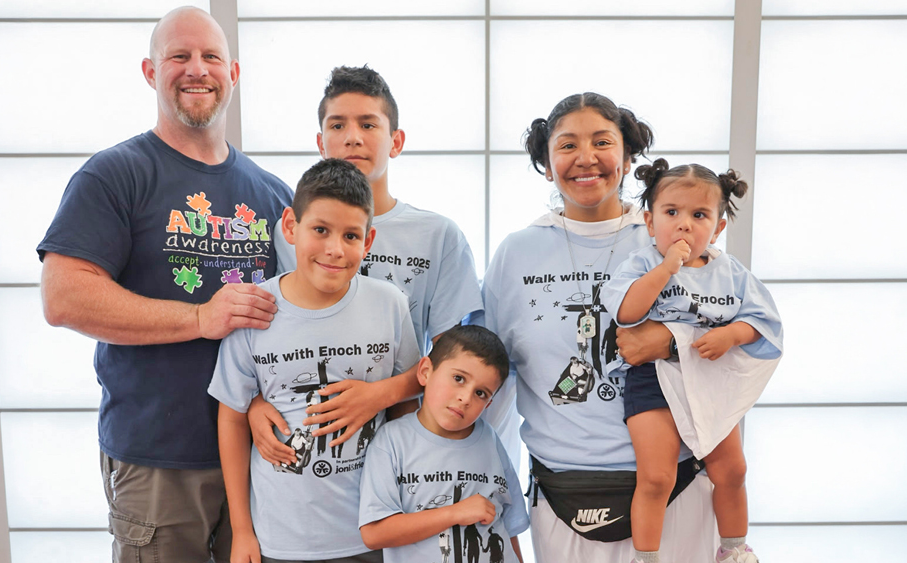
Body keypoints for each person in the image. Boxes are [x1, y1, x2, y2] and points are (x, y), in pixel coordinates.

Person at [36, 7, 291, 561]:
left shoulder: (274, 195)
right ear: (151, 72)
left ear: (234, 73)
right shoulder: (113, 175)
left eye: (210, 57)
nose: (196, 69)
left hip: (259, 460)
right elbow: (63, 296)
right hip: (157, 461)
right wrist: (199, 318)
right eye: (179, 56)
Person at [477, 92, 718, 562]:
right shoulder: (515, 254)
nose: (585, 158)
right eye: (566, 146)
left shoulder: (669, 231)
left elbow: (737, 335)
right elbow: (493, 375)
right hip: (563, 487)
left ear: (627, 158)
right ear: (546, 165)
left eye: (602, 142)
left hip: (678, 478)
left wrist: (672, 339)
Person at [250, 64, 485, 467]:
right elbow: (263, 339)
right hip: (305, 436)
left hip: (405, 435)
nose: (353, 137)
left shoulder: (439, 235)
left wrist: (381, 394)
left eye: (368, 124)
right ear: (321, 142)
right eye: (337, 125)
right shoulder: (291, 232)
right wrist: (253, 403)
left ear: (396, 141)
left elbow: (453, 359)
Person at [210, 158, 422, 563]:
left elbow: (408, 401)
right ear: (291, 226)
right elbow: (232, 417)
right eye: (320, 230)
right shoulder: (255, 310)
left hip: (374, 530)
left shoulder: (390, 305)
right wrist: (241, 530)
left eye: (350, 236)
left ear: (369, 240)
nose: (334, 249)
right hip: (282, 537)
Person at [601, 160, 783, 563]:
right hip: (652, 380)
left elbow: (763, 321)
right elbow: (627, 313)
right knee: (656, 476)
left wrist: (733, 334)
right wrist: (668, 268)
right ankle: (645, 557)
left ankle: (734, 549)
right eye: (671, 213)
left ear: (717, 227)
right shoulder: (642, 263)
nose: (684, 225)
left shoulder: (731, 272)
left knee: (732, 470)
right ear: (649, 222)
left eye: (699, 215)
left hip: (711, 380)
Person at [359, 325, 529, 563]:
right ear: (425, 371)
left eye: (481, 393)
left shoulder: (490, 440)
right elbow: (374, 533)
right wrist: (454, 513)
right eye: (458, 379)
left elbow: (509, 526)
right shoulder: (391, 441)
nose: (466, 398)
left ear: (488, 404)